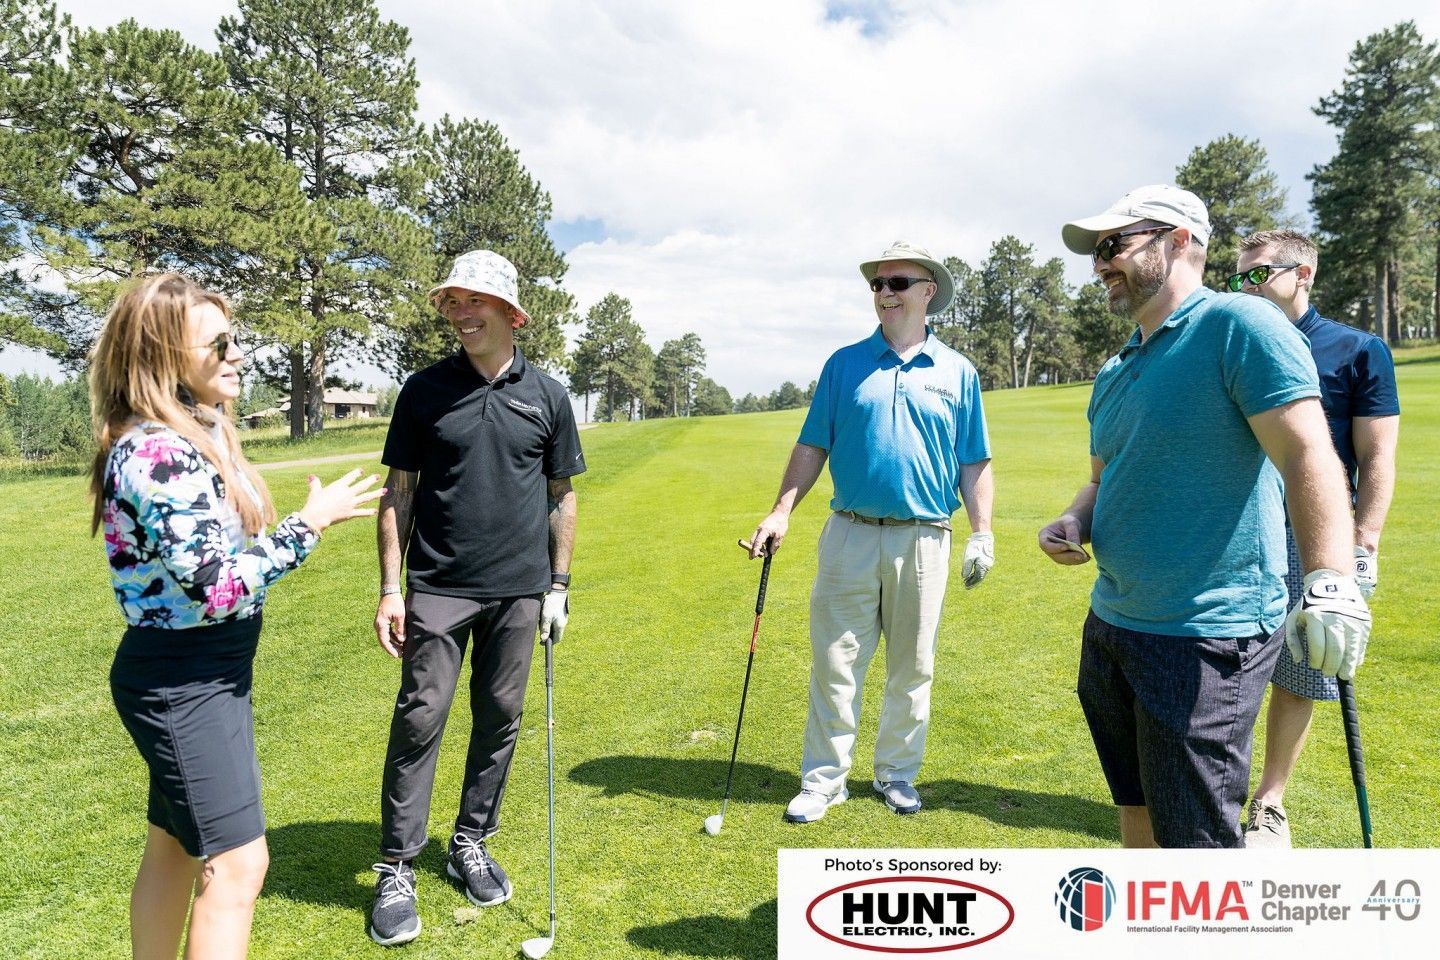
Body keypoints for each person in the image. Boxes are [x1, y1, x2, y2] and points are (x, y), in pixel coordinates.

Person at [1039, 185, 1372, 848]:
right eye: (1097, 252)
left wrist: (1332, 578)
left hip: (1205, 640)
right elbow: (1102, 480)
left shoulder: (1238, 326)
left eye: (1114, 245)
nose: (1100, 263)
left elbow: (1309, 453)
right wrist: (1076, 519)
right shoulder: (1115, 369)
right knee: (1135, 819)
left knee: (1196, 851)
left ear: (1179, 240)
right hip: (1112, 626)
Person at [92, 273, 381, 959]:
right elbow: (214, 589)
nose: (237, 355)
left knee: (172, 847)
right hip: (182, 680)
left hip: (204, 672)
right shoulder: (155, 452)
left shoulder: (192, 434)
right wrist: (306, 527)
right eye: (218, 343)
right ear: (164, 356)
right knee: (238, 866)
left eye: (236, 339)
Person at [368, 250, 584, 946]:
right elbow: (397, 492)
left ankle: (469, 841)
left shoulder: (547, 395)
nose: (460, 313)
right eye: (452, 302)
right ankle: (397, 865)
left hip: (520, 592)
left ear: (512, 314)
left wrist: (558, 584)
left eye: (474, 301)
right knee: (420, 718)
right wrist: (390, 589)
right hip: (438, 585)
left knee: (499, 719)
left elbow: (562, 496)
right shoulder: (423, 390)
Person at [748, 240, 995, 825]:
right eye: (878, 285)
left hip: (924, 538)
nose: (885, 293)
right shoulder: (844, 363)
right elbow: (813, 444)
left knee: (912, 666)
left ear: (927, 292)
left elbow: (974, 459)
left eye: (898, 283)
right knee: (835, 662)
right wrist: (781, 510)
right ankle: (824, 780)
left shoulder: (958, 372)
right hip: (850, 533)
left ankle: (896, 774)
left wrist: (982, 533)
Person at [1229, 229, 1400, 848]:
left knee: (1302, 667)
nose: (1244, 286)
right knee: (1226, 657)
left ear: (1302, 274)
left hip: (1314, 531)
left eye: (1258, 274)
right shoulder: (1233, 340)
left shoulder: (1357, 350)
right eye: (1238, 276)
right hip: (1237, 526)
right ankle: (1216, 787)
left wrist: (1365, 543)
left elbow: (1376, 456)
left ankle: (1269, 801)